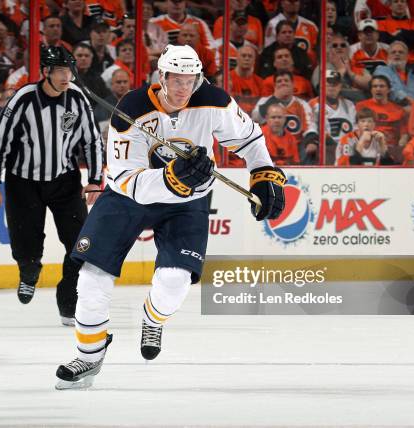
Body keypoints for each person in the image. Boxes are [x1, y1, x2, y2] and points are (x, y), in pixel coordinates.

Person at [55, 45, 286, 389]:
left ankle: (153, 317)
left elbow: (250, 139)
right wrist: (171, 178)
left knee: (175, 283)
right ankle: (89, 356)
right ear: (161, 77)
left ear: (198, 79)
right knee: (90, 278)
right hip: (128, 197)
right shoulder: (131, 109)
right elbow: (122, 178)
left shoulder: (215, 102)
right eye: (175, 80)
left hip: (187, 201)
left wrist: (263, 174)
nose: (182, 89)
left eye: (189, 81)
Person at [0, 46, 103, 325]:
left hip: (65, 181)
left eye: (69, 70)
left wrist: (96, 180)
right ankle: (29, 271)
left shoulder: (77, 98)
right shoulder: (24, 98)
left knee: (79, 245)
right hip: (22, 181)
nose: (66, 77)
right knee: (26, 240)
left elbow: (92, 140)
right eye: (60, 71)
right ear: (45, 72)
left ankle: (68, 300)